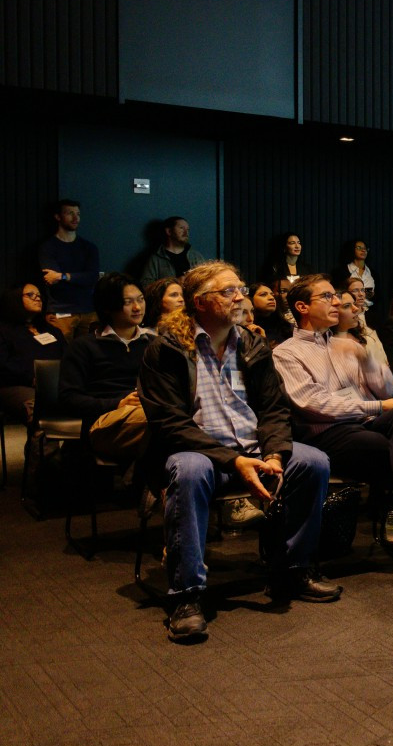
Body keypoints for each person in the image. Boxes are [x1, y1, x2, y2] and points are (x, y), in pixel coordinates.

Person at [138, 261, 340, 643]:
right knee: (190, 470)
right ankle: (187, 594)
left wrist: (276, 454)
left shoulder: (251, 343)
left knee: (313, 461)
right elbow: (169, 425)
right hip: (198, 451)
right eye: (228, 291)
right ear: (199, 302)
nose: (240, 297)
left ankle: (291, 569)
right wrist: (233, 461)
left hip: (253, 448)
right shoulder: (166, 348)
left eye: (241, 289)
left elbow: (274, 408)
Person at [273, 275, 393, 588]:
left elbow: (388, 389)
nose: (337, 302)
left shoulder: (345, 344)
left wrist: (366, 358)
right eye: (327, 297)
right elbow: (312, 405)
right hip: (327, 435)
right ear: (302, 307)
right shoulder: (287, 352)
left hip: (364, 424)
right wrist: (378, 408)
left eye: (336, 296)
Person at [58, 273, 155, 470]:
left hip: (144, 414)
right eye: (128, 302)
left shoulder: (153, 344)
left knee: (179, 418)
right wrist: (117, 403)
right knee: (165, 422)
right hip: (103, 421)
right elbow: (68, 398)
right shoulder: (84, 347)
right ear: (108, 306)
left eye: (140, 299)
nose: (137, 307)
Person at [0, 283, 66, 426]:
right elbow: (3, 365)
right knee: (41, 411)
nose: (37, 298)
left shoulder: (53, 331)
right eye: (31, 295)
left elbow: (68, 358)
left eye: (39, 295)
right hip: (17, 385)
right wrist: (33, 378)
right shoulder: (4, 331)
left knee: (86, 405)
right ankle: (45, 448)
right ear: (15, 299)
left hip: (56, 385)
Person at [38, 199, 100, 339]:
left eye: (78, 213)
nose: (75, 218)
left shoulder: (89, 247)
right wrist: (78, 278)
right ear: (58, 217)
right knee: (61, 355)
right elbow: (52, 281)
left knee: (90, 354)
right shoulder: (48, 247)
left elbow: (92, 277)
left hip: (88, 310)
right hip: (61, 311)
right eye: (70, 213)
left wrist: (63, 276)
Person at [141, 216, 206, 284]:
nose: (186, 233)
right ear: (169, 231)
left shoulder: (196, 256)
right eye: (181, 228)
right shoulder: (156, 259)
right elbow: (146, 284)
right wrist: (174, 282)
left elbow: (206, 280)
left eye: (188, 229)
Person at [248, 282, 293, 347]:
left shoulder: (286, 327)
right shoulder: (248, 329)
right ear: (251, 299)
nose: (271, 298)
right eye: (263, 294)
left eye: (272, 295)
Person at [340, 240, 376, 307]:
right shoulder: (342, 271)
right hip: (350, 309)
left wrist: (371, 294)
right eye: (359, 248)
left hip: (369, 310)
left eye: (365, 248)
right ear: (352, 250)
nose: (363, 250)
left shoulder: (373, 272)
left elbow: (377, 296)